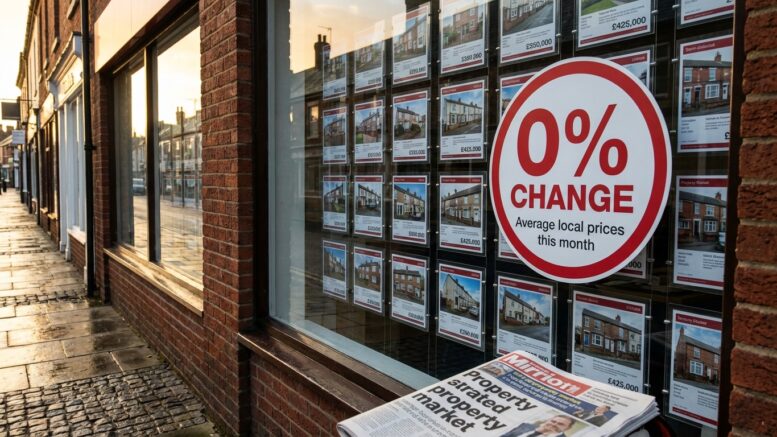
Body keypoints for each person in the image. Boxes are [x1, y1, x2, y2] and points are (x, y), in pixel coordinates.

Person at [500, 414, 577, 437]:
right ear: (548, 420)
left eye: (561, 424)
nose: (554, 424)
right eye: (553, 421)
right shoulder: (526, 425)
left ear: (567, 428)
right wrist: (535, 432)